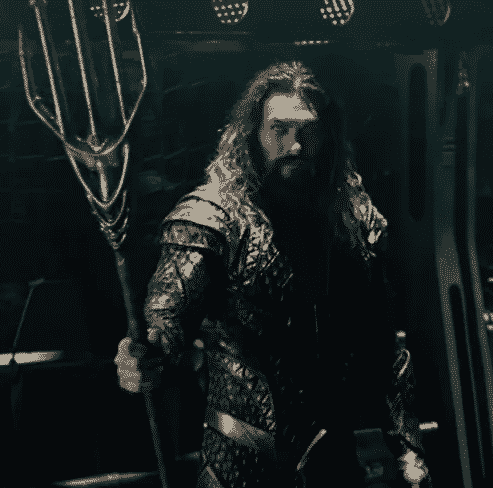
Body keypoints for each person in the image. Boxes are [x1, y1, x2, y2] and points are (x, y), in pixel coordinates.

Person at [115, 61, 429, 488]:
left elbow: (383, 346)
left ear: (327, 136)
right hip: (241, 460)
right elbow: (166, 321)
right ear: (253, 134)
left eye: (308, 131)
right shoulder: (212, 218)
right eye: (279, 129)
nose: (295, 145)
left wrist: (408, 450)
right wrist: (144, 356)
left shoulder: (352, 220)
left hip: (332, 457)